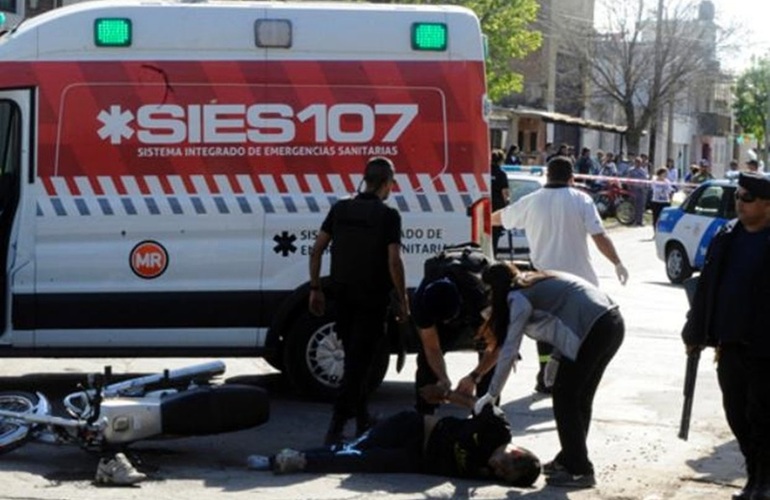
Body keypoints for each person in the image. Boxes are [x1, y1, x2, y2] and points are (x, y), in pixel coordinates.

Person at [471, 262, 624, 489]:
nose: (490, 301)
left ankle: (580, 470)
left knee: (565, 397)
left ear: (496, 289)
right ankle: (570, 458)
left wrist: (492, 393)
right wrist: (556, 358)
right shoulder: (531, 282)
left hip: (595, 328)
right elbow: (563, 320)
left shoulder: (517, 298)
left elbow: (509, 349)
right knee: (579, 397)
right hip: (611, 322)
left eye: (490, 294)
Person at [491, 156, 628, 394]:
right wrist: (617, 262)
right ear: (572, 178)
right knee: (576, 333)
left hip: (545, 281)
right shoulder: (581, 200)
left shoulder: (531, 201)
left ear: (547, 176)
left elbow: (499, 218)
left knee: (546, 332)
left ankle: (546, 377)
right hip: (580, 283)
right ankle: (562, 376)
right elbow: (599, 236)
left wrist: (478, 215)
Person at [308, 156, 409, 445]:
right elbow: (394, 261)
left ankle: (363, 417)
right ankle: (337, 425)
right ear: (386, 183)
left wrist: (315, 288)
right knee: (358, 362)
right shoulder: (388, 215)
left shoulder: (340, 208)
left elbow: (317, 250)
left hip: (341, 295)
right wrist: (402, 298)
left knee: (356, 358)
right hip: (372, 299)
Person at [682, 172, 770, 500]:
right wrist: (695, 330)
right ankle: (755, 474)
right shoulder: (727, 234)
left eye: (747, 198)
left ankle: (763, 481)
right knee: (736, 412)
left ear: (768, 205)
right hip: (730, 342)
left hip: (766, 347)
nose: (739, 202)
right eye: (737, 196)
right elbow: (707, 285)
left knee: (762, 415)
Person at [247, 395, 541, 488]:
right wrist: (448, 394)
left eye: (502, 477)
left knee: (360, 459)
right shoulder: (497, 428)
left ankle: (295, 459)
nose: (497, 472)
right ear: (515, 453)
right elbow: (480, 402)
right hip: (414, 428)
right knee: (353, 449)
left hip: (415, 460)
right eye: (504, 468)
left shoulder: (487, 473)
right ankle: (286, 459)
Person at [412, 258, 491, 414]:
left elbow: (495, 346)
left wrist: (475, 376)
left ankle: (487, 413)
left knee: (488, 362)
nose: (446, 322)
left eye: (448, 319)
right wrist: (442, 378)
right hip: (447, 310)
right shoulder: (420, 303)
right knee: (425, 362)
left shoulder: (477, 297)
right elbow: (432, 348)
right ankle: (424, 416)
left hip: (472, 312)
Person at [490, 148, 510, 250]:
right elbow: (505, 192)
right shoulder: (501, 174)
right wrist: (507, 203)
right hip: (497, 207)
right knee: (495, 235)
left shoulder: (485, 171)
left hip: (484, 206)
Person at [626, 156, 650, 227]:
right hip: (634, 190)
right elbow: (628, 180)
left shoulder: (643, 171)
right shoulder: (631, 170)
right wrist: (629, 188)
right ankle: (632, 220)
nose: (638, 164)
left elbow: (646, 180)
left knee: (641, 206)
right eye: (637, 162)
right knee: (633, 206)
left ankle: (640, 221)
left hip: (642, 190)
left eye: (639, 162)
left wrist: (646, 188)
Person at [650, 167, 675, 232]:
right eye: (664, 173)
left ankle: (663, 232)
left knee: (664, 218)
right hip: (656, 201)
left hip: (665, 202)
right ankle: (655, 231)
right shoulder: (654, 181)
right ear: (660, 173)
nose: (666, 175)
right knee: (656, 218)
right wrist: (661, 189)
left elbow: (670, 190)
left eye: (666, 174)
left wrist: (671, 194)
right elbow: (654, 189)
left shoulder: (667, 181)